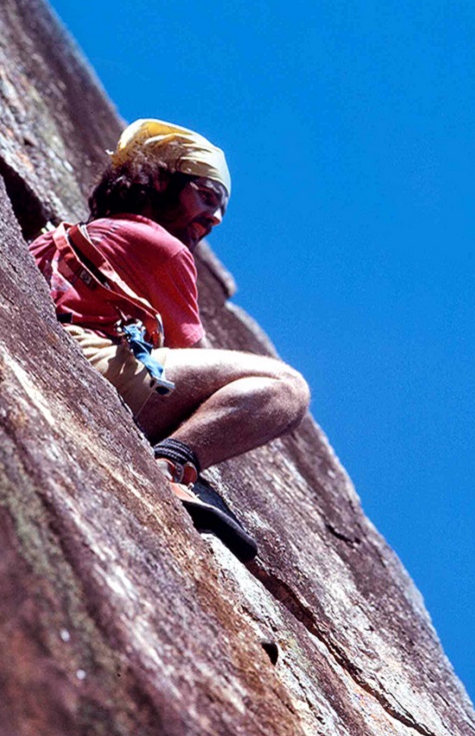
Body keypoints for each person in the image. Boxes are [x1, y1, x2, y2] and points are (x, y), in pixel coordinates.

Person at [29, 119, 310, 561]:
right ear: (161, 181)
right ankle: (170, 467)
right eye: (207, 196)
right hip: (92, 362)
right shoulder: (161, 247)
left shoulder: (83, 234)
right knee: (286, 388)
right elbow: (192, 363)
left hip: (54, 352)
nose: (214, 218)